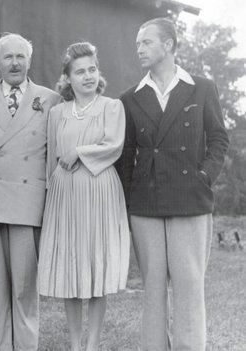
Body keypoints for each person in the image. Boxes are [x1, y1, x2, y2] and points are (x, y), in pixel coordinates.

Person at [116, 18, 229, 350]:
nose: (139, 48)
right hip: (145, 205)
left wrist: (205, 176)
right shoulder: (131, 97)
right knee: (152, 286)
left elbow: (219, 139)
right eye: (138, 43)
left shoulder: (202, 87)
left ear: (168, 45)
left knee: (189, 285)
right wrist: (127, 201)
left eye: (146, 42)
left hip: (190, 200)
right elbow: (125, 156)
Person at [37, 42, 130, 351]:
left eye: (92, 69)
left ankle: (92, 344)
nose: (88, 76)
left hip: (99, 189)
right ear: (68, 78)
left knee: (95, 267)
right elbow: (52, 158)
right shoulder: (57, 113)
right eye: (80, 71)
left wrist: (78, 152)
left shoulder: (111, 107)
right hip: (65, 195)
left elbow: (113, 145)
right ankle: (76, 344)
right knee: (70, 267)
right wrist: (51, 196)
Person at [0, 33, 59, 350]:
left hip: (29, 203)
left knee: (23, 288)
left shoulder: (50, 100)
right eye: (8, 57)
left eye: (21, 56)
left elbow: (55, 158)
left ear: (29, 61)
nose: (15, 63)